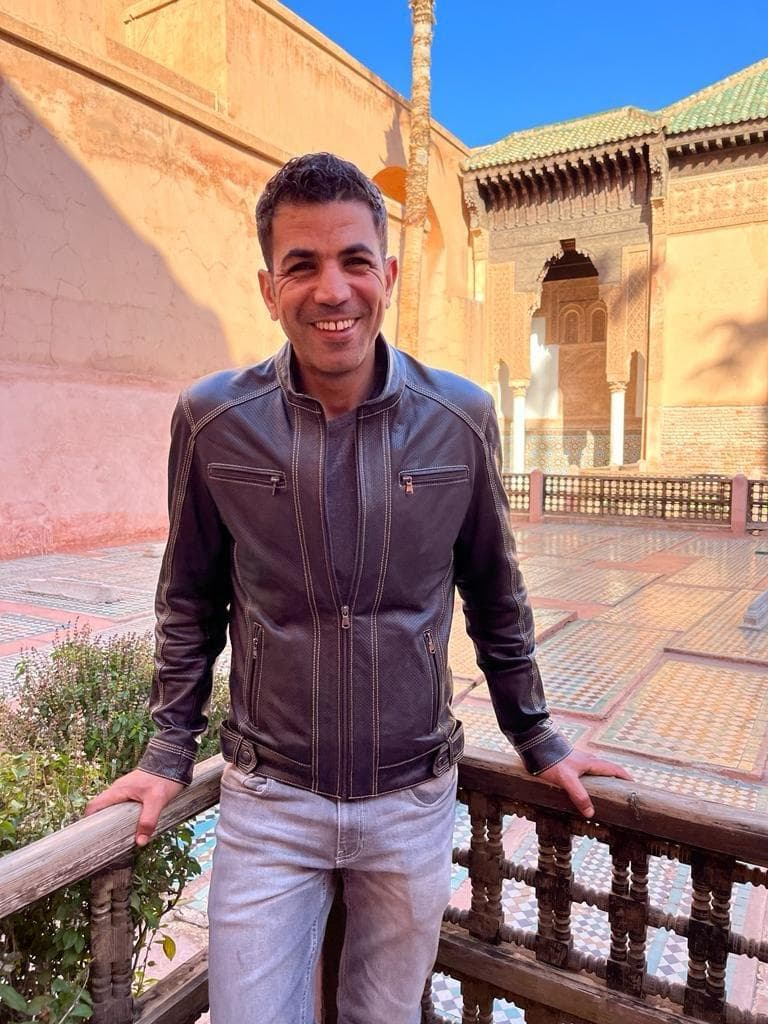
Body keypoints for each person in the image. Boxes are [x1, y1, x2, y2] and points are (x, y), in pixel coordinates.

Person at [86, 152, 630, 1024]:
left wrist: (539, 735)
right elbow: (189, 601)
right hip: (270, 805)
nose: (331, 289)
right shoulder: (214, 421)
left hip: (412, 803)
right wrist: (165, 755)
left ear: (389, 275)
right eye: (301, 265)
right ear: (269, 288)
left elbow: (496, 591)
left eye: (353, 261)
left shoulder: (459, 421)